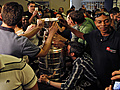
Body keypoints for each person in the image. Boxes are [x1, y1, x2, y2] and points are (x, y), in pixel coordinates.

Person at [58, 11, 120, 89]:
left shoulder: (118, 38)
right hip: (97, 79)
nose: (103, 24)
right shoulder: (94, 35)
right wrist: (68, 27)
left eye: (106, 21)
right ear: (95, 23)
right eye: (99, 22)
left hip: (113, 81)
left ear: (111, 21)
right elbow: (81, 35)